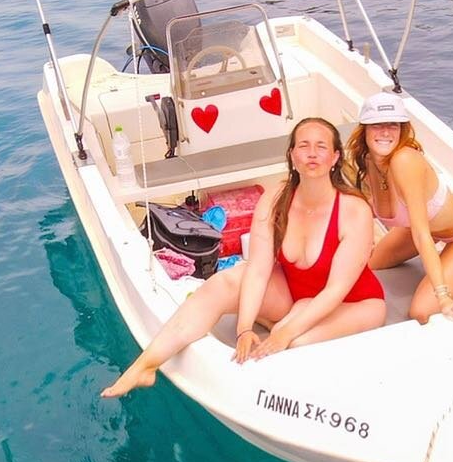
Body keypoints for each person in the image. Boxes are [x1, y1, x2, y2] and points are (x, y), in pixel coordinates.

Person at [101, 117, 384, 398]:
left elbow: (335, 290)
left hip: (355, 303)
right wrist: (244, 328)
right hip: (296, 294)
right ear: (292, 156)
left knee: (295, 340)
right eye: (303, 145)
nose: (312, 153)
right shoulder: (276, 199)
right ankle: (145, 366)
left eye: (321, 147)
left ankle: (281, 328)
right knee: (222, 283)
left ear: (335, 157)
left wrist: (283, 334)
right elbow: (258, 269)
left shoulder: (353, 211)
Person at [345, 91, 453, 324]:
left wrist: (444, 297)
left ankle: (452, 278)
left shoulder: (405, 160)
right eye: (376, 125)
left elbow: (421, 234)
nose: (384, 132)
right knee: (368, 265)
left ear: (402, 129)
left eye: (392, 125)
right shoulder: (369, 161)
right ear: (363, 130)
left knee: (422, 311)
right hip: (428, 227)